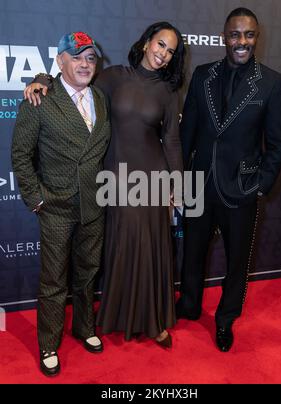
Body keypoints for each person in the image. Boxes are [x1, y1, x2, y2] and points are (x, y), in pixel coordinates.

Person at [24, 22, 185, 348]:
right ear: (146, 43)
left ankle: (153, 322)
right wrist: (40, 80)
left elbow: (171, 141)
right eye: (160, 44)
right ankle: (120, 316)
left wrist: (177, 186)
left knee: (151, 250)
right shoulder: (112, 77)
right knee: (123, 250)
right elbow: (71, 83)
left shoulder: (168, 93)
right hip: (114, 178)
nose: (163, 54)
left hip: (151, 180)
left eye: (170, 51)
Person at [176, 7, 281, 352]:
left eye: (249, 34)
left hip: (241, 189)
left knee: (237, 260)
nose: (242, 42)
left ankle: (225, 320)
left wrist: (260, 185)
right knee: (192, 253)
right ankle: (189, 305)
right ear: (224, 36)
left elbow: (278, 143)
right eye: (235, 34)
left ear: (257, 37)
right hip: (198, 184)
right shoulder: (202, 75)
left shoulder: (272, 82)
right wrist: (181, 180)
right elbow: (187, 133)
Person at [12, 32, 111, 376]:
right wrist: (36, 198)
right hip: (55, 206)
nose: (85, 64)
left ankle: (85, 328)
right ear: (60, 61)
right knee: (54, 281)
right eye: (78, 56)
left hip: (94, 205)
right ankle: (49, 343)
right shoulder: (40, 98)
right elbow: (21, 156)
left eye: (91, 58)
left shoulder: (100, 97)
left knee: (87, 274)